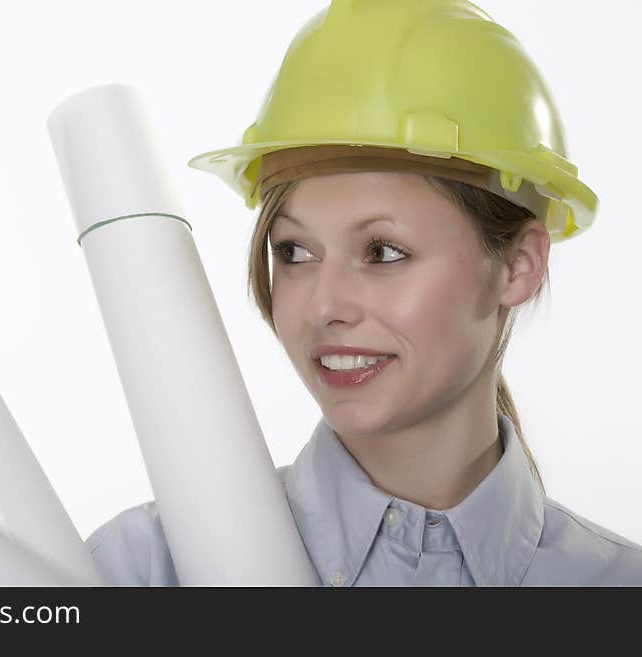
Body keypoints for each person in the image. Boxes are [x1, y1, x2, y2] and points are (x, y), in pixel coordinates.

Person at [85, 0, 642, 586]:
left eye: (383, 252)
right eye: (294, 253)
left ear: (518, 265)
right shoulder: (137, 574)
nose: (323, 307)